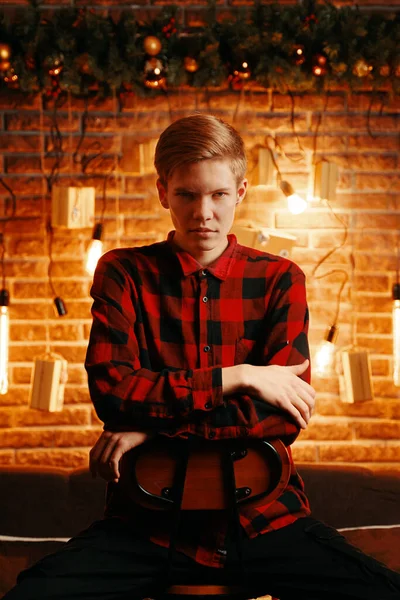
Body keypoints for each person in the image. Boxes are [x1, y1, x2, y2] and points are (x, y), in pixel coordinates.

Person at [4, 114, 400, 600]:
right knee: (31, 595)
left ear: (241, 193)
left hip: (264, 520)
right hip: (146, 524)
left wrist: (149, 425)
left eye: (217, 195)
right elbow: (113, 394)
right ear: (162, 192)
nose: (203, 213)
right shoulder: (123, 273)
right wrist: (239, 376)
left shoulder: (280, 279)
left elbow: (278, 418)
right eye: (187, 195)